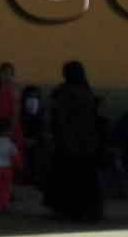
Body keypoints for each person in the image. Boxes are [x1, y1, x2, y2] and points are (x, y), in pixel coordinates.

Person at [43, 62, 105, 222]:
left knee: (68, 176)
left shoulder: (64, 92)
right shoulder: (87, 91)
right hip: (87, 143)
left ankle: (69, 210)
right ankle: (87, 211)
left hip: (69, 143)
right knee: (85, 178)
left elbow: (60, 118)